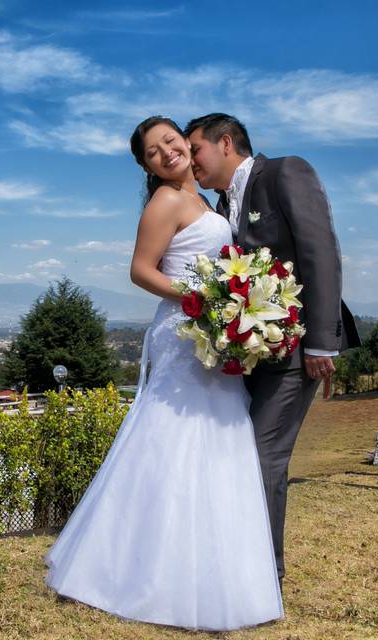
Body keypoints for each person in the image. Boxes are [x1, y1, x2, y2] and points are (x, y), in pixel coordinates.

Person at [45, 116, 283, 631]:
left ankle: (219, 570)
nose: (165, 153)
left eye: (170, 142)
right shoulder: (165, 202)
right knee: (174, 437)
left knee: (218, 436)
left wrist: (233, 304)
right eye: (152, 152)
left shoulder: (206, 201)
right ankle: (140, 570)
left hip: (214, 331)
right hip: (184, 332)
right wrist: (199, 298)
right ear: (146, 166)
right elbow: (141, 270)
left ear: (185, 143)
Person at [184, 113, 360, 586]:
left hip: (300, 348)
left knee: (262, 458)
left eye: (194, 149)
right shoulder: (221, 204)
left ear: (225, 143)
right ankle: (236, 567)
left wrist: (324, 343)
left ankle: (263, 578)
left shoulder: (285, 171)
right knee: (239, 455)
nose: (190, 160)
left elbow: (319, 249)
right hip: (251, 354)